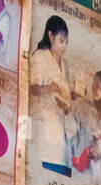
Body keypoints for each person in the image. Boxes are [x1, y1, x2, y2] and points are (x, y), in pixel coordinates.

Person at [29, 17, 74, 175]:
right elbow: (32, 88)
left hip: (62, 136)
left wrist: (67, 106)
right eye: (61, 41)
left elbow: (67, 100)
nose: (64, 46)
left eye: (67, 42)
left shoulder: (65, 66)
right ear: (50, 36)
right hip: (44, 129)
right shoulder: (40, 57)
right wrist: (50, 90)